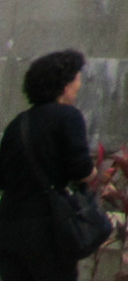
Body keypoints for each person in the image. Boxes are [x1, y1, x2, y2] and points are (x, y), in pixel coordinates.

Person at [0, 49, 94, 281]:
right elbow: (81, 169)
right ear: (64, 84)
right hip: (50, 229)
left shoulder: (17, 124)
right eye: (76, 79)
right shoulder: (68, 117)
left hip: (10, 226)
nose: (79, 86)